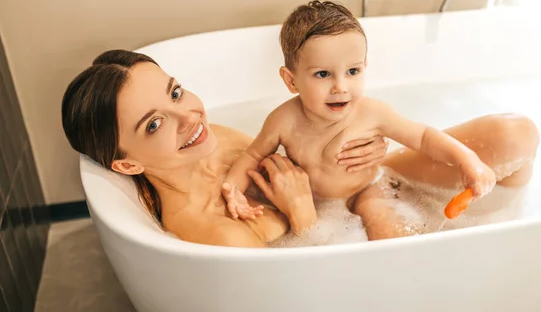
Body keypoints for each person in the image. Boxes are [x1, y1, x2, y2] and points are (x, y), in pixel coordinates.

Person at [222, 0, 540, 240]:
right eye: (322, 74)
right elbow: (252, 155)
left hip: (371, 188)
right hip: (317, 205)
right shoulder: (283, 120)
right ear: (291, 81)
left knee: (389, 228)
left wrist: (467, 160)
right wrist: (233, 190)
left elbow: (424, 138)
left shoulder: (371, 112)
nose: (340, 87)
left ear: (364, 66)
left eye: (353, 71)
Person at [61, 49, 389, 247]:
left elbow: (308, 159)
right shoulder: (214, 231)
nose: (189, 117)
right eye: (154, 124)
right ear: (128, 165)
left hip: (362, 201)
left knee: (437, 145)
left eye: (175, 93)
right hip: (352, 253)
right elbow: (307, 292)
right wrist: (302, 216)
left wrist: (365, 147)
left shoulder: (213, 142)